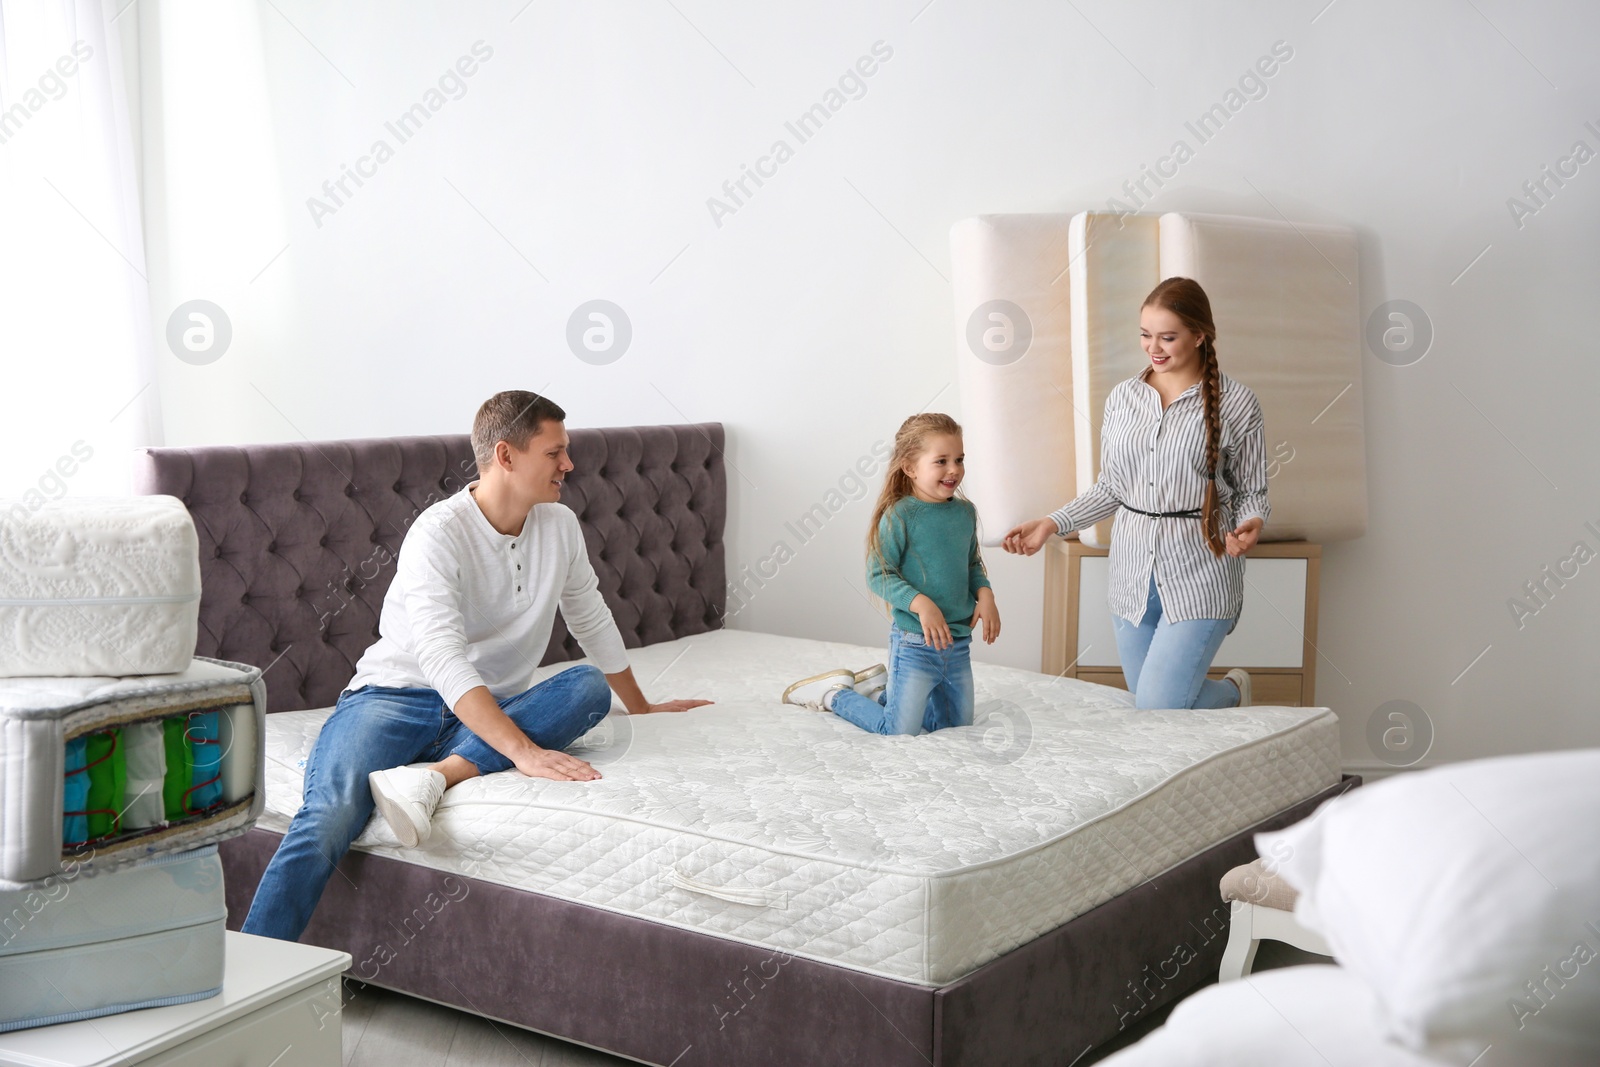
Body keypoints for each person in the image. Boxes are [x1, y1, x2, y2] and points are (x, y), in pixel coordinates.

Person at [241, 390, 711, 941]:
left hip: (487, 710)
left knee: (586, 688)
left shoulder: (559, 527)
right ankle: (255, 970)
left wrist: (643, 706)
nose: (569, 464)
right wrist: (523, 752)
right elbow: (441, 656)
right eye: (555, 452)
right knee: (330, 812)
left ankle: (438, 774)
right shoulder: (438, 533)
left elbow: (590, 617)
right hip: (396, 698)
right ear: (507, 456)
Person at [1003, 277, 1268, 710]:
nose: (1154, 347)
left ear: (1199, 336)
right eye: (1145, 335)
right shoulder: (1124, 398)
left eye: (1168, 336)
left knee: (1158, 705)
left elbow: (1252, 490)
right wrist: (1052, 522)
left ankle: (1233, 694)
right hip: (1131, 573)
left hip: (1204, 571)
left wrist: (1251, 523)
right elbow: (1112, 486)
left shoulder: (1239, 403)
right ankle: (1230, 698)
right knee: (1151, 704)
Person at [781, 413, 1000, 734]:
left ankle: (882, 693)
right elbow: (879, 574)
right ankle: (835, 695)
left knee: (953, 728)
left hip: (958, 645)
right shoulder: (900, 515)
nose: (954, 469)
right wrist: (921, 603)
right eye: (941, 461)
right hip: (915, 645)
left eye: (959, 459)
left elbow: (971, 564)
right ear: (910, 468)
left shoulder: (964, 512)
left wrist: (986, 594)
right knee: (897, 731)